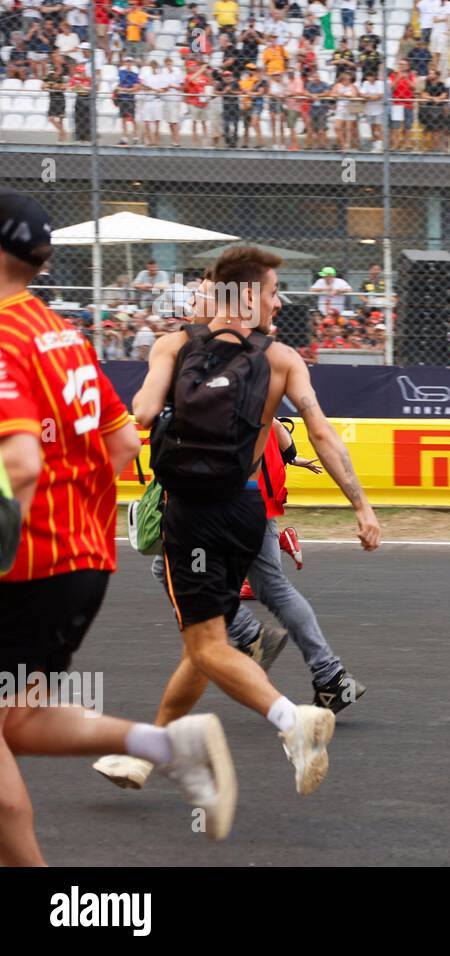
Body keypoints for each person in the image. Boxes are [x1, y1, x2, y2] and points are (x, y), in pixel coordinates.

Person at [0, 189, 236, 862]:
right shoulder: (60, 333)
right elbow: (123, 444)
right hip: (82, 558)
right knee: (16, 719)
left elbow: (18, 463)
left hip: (25, 559)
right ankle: (164, 744)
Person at [129, 245, 382, 796]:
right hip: (245, 512)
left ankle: (295, 721)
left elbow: (142, 415)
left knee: (206, 644)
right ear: (246, 296)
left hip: (190, 515)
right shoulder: (283, 358)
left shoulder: (173, 345)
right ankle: (145, 752)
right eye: (272, 291)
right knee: (208, 642)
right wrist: (360, 505)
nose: (279, 301)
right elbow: (320, 433)